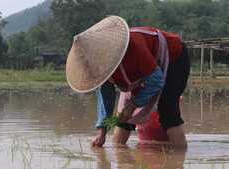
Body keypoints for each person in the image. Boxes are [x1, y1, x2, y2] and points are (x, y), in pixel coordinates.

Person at [65, 16, 190, 149]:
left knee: (168, 109)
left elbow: (156, 81)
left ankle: (177, 161)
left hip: (174, 58)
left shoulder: (134, 46)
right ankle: (120, 158)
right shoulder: (101, 68)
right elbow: (105, 99)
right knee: (123, 115)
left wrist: (133, 105)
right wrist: (102, 132)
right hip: (142, 67)